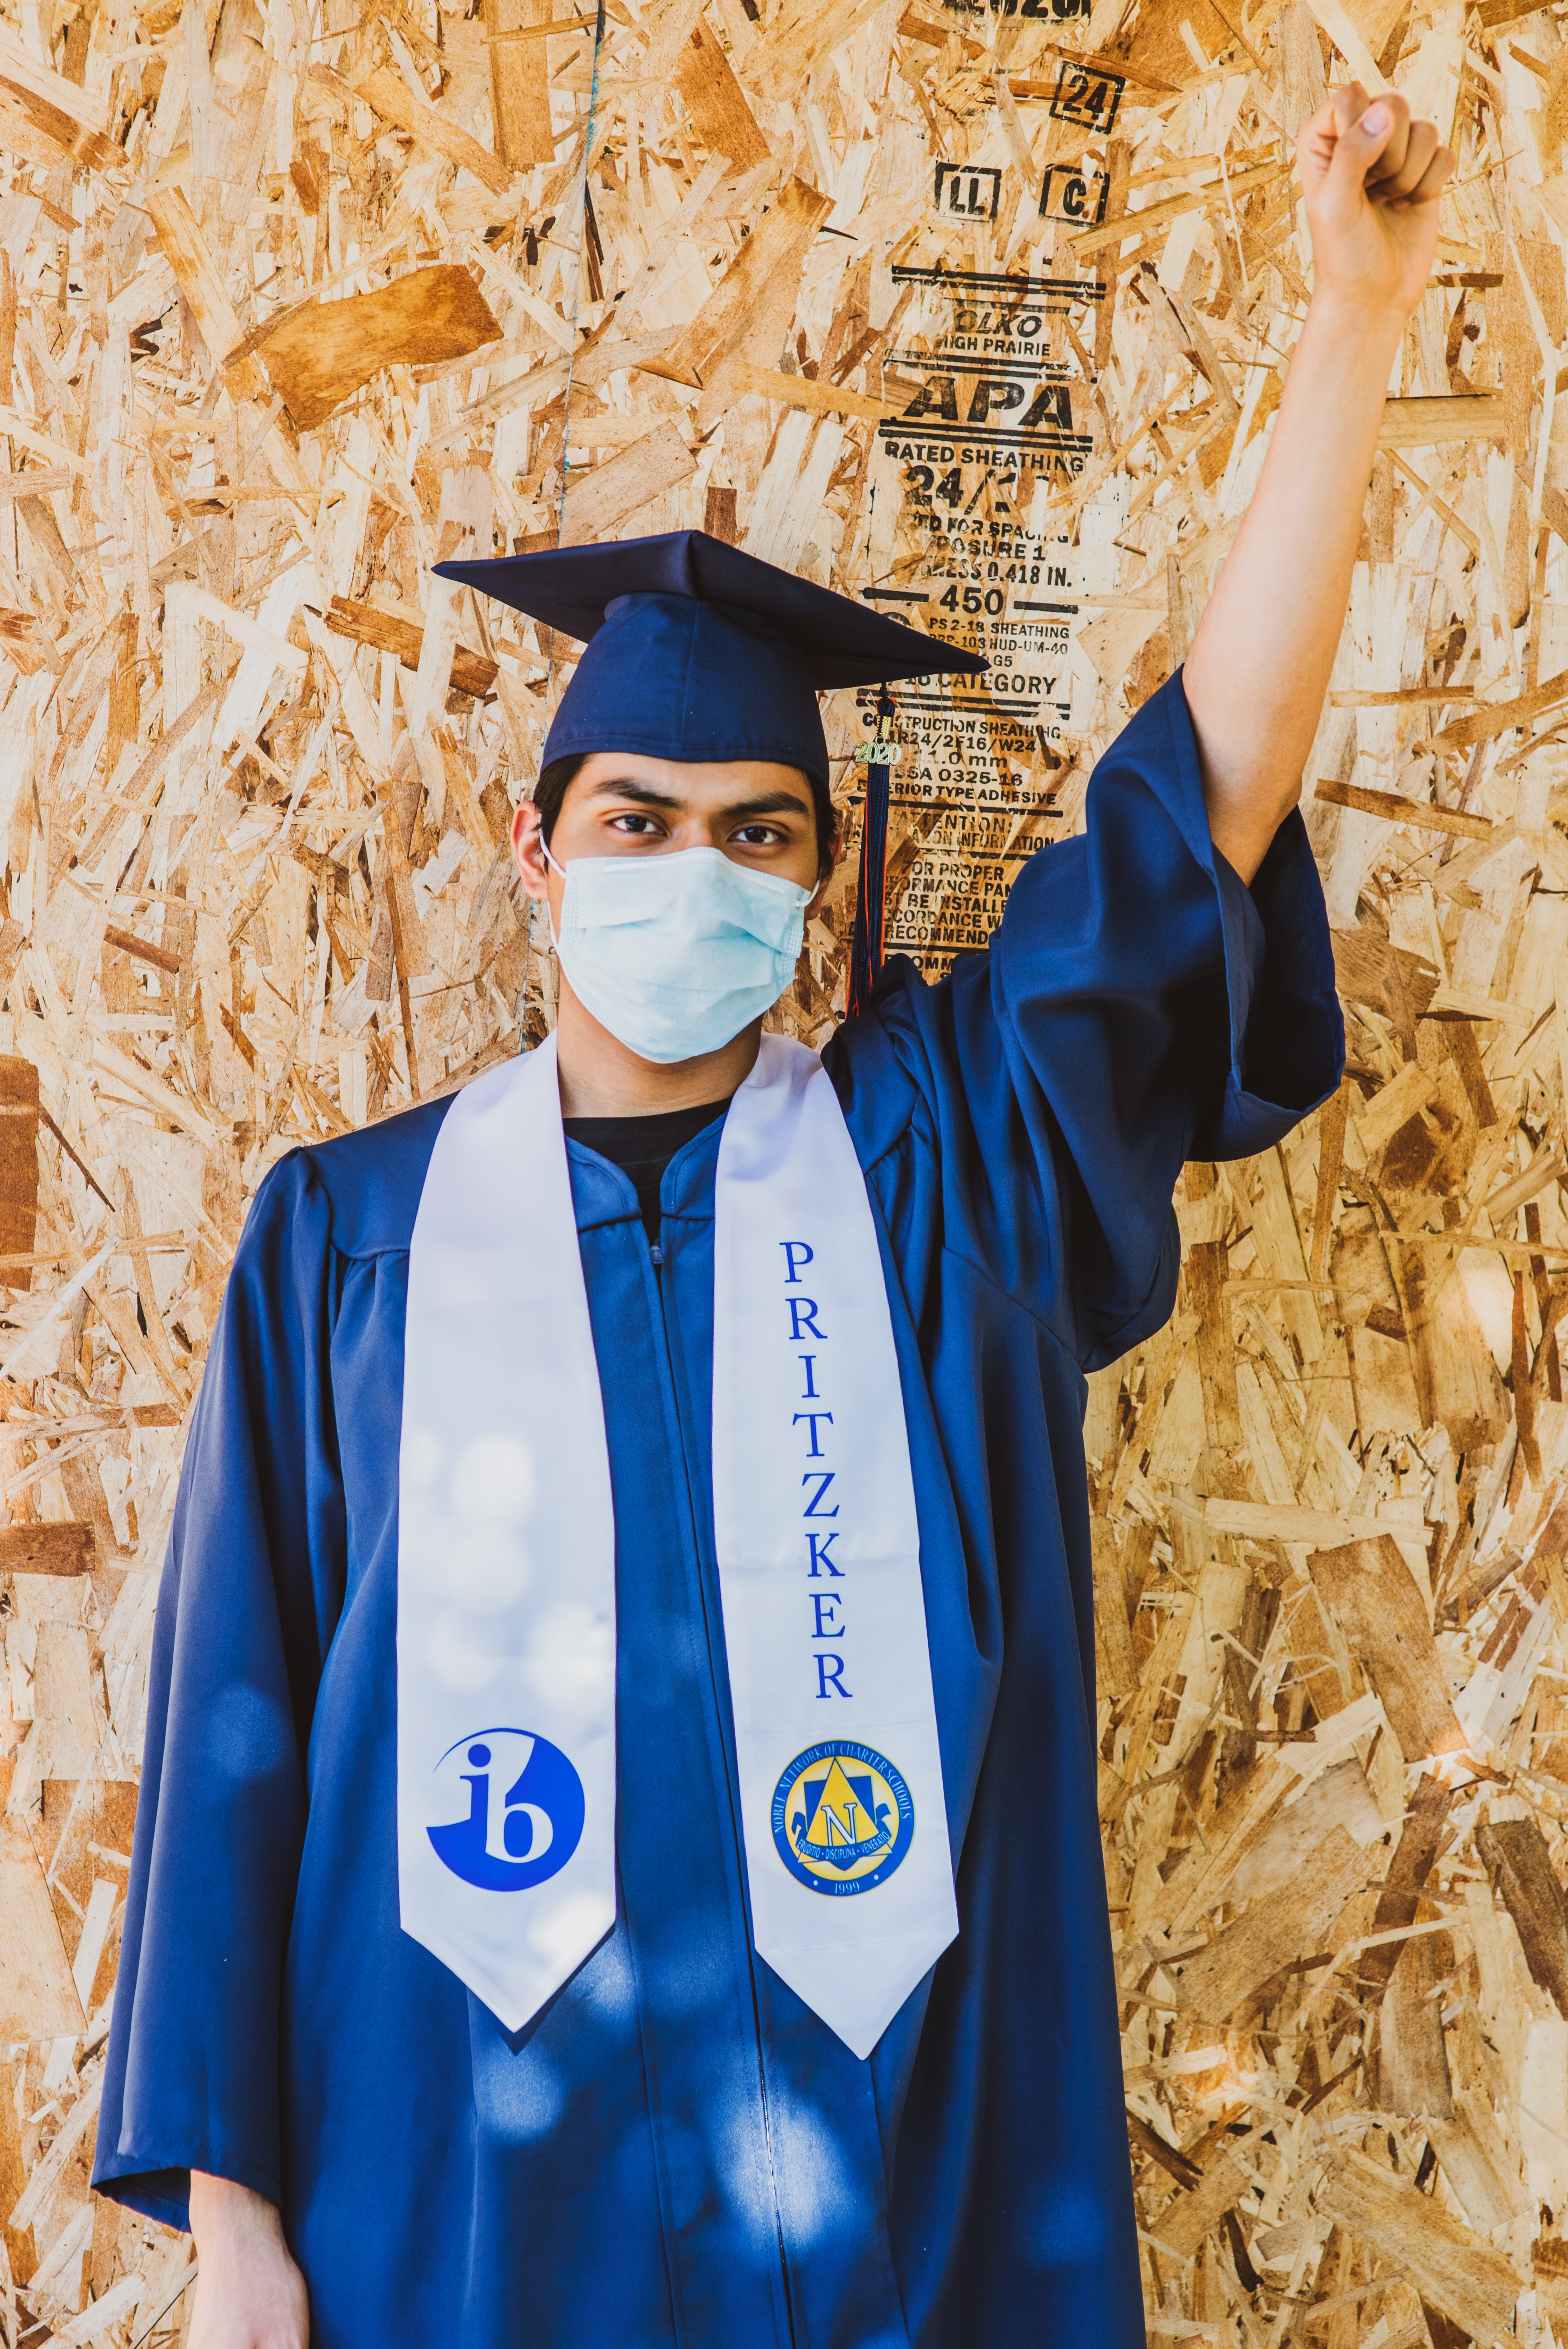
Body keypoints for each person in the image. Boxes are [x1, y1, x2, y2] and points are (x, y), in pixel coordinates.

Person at [89, 84, 1446, 2349]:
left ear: (818, 887)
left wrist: (1355, 315)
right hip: (454, 2220)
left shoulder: (946, 1165)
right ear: (540, 861)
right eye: (637, 822)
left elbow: (1205, 787)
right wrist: (237, 2235)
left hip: (886, 2210)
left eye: (756, 834)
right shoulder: (344, 1243)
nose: (695, 874)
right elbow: (237, 1714)